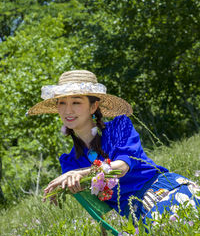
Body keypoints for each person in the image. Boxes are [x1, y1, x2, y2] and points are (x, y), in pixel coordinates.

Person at [28, 70, 200, 225]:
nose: (68, 110)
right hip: (138, 216)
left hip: (166, 193)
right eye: (61, 103)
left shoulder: (119, 129)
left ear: (93, 106)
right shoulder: (71, 163)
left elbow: (122, 167)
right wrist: (69, 188)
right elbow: (100, 210)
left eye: (76, 102)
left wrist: (81, 174)